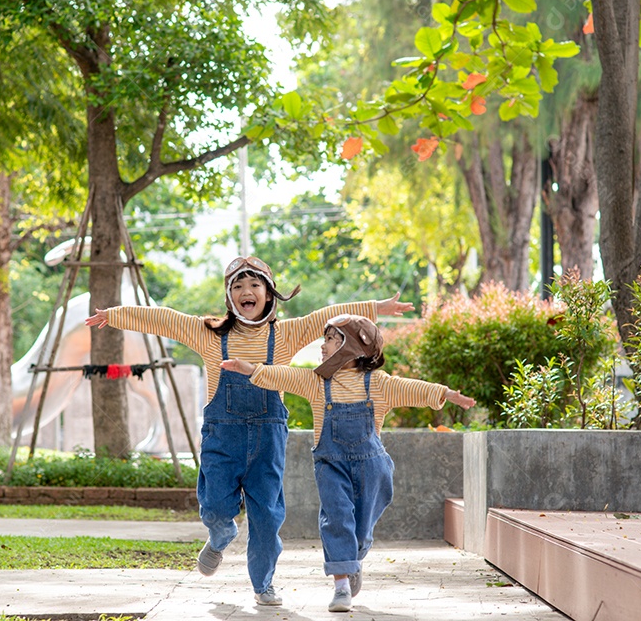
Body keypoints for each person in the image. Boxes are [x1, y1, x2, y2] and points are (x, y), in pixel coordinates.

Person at [84, 257, 412, 607]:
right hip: (222, 440)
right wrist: (115, 314)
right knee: (213, 507)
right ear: (229, 296)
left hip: (268, 441)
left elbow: (329, 315)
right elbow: (163, 318)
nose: (246, 291)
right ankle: (221, 532)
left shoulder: (285, 335)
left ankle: (263, 583)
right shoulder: (209, 333)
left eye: (254, 285)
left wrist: (377, 307)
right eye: (238, 286)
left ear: (269, 294)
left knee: (267, 518)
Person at [220, 314, 475, 613]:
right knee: (337, 517)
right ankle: (341, 586)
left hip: (373, 467)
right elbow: (283, 376)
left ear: (353, 347)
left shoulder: (377, 384)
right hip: (330, 464)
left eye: (331, 339)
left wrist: (444, 393)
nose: (323, 345)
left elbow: (411, 388)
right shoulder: (317, 382)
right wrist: (251, 370)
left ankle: (354, 556)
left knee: (361, 531)